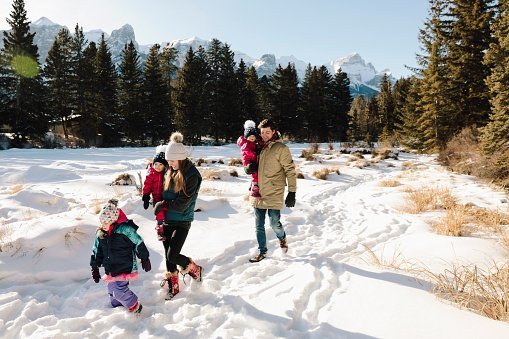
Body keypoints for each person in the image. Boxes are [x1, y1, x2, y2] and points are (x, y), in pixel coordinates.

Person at [154, 132, 203, 300]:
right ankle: (173, 286)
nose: (170, 164)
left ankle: (194, 269)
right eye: (168, 161)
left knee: (173, 255)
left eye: (172, 161)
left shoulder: (192, 175)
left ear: (181, 158)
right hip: (167, 219)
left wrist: (164, 205)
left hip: (182, 220)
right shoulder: (172, 170)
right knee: (168, 254)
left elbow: (183, 202)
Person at [90, 199, 151, 314]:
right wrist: (95, 268)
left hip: (125, 265)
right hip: (111, 268)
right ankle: (119, 309)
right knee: (112, 291)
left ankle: (135, 306)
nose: (103, 226)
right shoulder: (100, 234)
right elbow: (96, 251)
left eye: (106, 223)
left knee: (119, 291)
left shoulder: (125, 230)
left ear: (113, 221)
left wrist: (144, 258)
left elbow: (138, 242)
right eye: (101, 223)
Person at [249, 118, 297, 263]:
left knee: (274, 223)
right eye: (262, 132)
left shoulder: (281, 149)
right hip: (257, 191)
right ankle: (262, 252)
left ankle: (282, 238)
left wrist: (292, 192)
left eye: (267, 132)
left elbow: (290, 170)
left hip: (274, 191)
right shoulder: (256, 146)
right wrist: (247, 168)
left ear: (274, 132)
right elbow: (248, 162)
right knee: (259, 225)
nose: (264, 135)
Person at [142, 145, 168, 241]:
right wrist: (145, 196)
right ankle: (159, 230)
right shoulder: (151, 174)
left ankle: (167, 228)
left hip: (165, 197)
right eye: (156, 164)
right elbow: (147, 185)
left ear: (164, 165)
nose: (157, 166)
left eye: (160, 164)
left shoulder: (166, 173)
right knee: (159, 213)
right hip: (156, 198)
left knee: (167, 213)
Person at [237, 120, 262, 198]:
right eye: (250, 136)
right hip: (248, 161)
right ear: (246, 136)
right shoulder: (246, 144)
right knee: (255, 173)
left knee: (256, 173)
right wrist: (254, 153)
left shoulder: (253, 143)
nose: (252, 138)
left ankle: (252, 185)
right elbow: (246, 151)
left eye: (253, 136)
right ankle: (254, 189)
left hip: (252, 160)